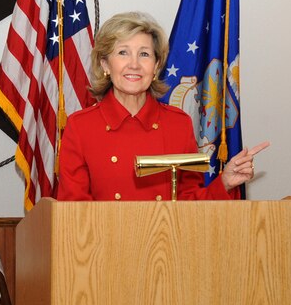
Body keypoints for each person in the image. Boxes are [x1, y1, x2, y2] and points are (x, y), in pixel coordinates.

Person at [56, 11, 268, 201]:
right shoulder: (80, 127)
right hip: (104, 243)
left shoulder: (178, 124)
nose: (134, 64)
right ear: (105, 64)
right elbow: (75, 215)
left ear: (156, 66)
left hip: (166, 244)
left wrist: (225, 183)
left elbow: (189, 206)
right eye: (123, 52)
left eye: (144, 54)